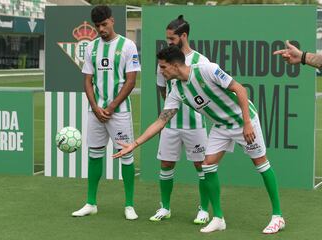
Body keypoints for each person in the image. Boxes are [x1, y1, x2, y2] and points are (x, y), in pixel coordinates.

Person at [113, 46, 285, 234]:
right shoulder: (177, 90)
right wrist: (134, 144)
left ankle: (278, 216)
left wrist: (247, 123)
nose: (161, 72)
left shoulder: (206, 69)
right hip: (221, 126)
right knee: (208, 165)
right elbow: (161, 121)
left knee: (261, 164)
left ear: (175, 65)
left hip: (244, 120)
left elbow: (240, 89)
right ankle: (218, 218)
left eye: (163, 67)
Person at [72, 5, 141, 220]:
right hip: (96, 112)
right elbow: (87, 80)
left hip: (119, 113)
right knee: (94, 155)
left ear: (112, 21)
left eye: (104, 24)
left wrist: (111, 107)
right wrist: (95, 107)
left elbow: (131, 81)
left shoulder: (128, 46)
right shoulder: (91, 48)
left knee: (126, 156)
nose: (101, 29)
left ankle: (129, 205)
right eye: (97, 26)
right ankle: (91, 202)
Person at [149, 15, 210, 224]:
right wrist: (171, 103)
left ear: (183, 36)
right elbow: (160, 86)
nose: (169, 42)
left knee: (202, 167)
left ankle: (204, 210)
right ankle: (164, 208)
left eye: (172, 38)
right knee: (166, 165)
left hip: (196, 126)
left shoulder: (201, 61)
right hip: (171, 125)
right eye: (167, 39)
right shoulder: (164, 60)